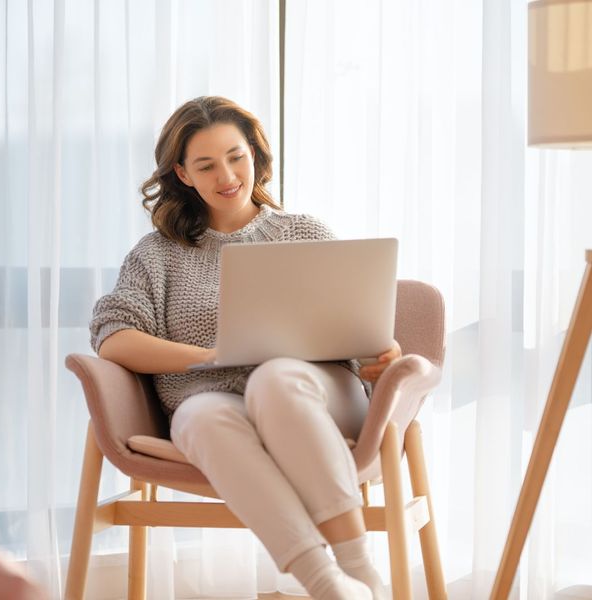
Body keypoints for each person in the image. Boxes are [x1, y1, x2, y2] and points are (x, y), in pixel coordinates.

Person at [90, 96, 401, 600]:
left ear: (255, 153)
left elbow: (356, 324)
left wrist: (380, 350)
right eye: (206, 165)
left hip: (313, 395)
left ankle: (360, 567)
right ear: (183, 174)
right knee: (198, 418)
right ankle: (330, 588)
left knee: (276, 377)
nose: (227, 175)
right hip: (212, 398)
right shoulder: (158, 254)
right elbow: (113, 336)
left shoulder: (302, 232)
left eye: (236, 156)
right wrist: (207, 357)